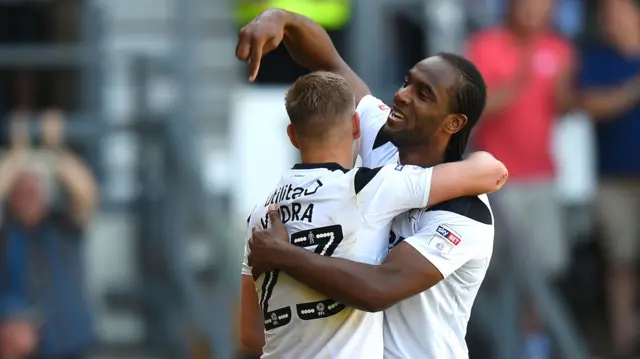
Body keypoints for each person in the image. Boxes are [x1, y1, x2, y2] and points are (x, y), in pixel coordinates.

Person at [237, 9, 494, 359]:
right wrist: (283, 20)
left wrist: (284, 255)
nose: (402, 95)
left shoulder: (465, 210)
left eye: (423, 94)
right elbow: (330, 62)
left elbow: (379, 288)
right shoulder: (383, 138)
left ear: (453, 122)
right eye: (407, 82)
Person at [465, 0, 576, 356]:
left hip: (543, 176)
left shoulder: (559, 49)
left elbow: (562, 106)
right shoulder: (485, 45)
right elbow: (472, 109)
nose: (536, 9)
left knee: (543, 270)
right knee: (499, 272)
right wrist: (517, 83)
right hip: (498, 180)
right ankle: (502, 344)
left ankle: (534, 346)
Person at [0, 111, 97, 359]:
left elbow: (86, 191)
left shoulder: (63, 224)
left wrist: (55, 151)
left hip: (68, 342)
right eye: (22, 191)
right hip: (19, 346)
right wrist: (18, 155)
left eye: (35, 189)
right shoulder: (7, 230)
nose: (30, 196)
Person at [578, 0, 640, 357]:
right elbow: (589, 105)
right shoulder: (597, 58)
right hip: (614, 179)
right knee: (620, 262)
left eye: (616, 13)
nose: (609, 22)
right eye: (604, 15)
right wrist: (632, 91)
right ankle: (622, 343)